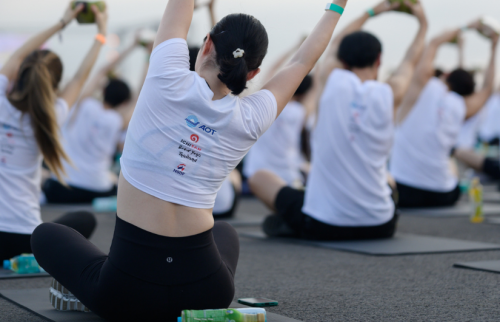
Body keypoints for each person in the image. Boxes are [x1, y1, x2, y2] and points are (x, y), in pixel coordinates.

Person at [30, 0, 348, 320]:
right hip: (207, 292)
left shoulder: (166, 75)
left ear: (206, 44)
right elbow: (303, 60)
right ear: (254, 72)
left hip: (126, 293)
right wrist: (338, 4)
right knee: (225, 231)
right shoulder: (252, 117)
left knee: (45, 235)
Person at [249, 0, 429, 240]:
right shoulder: (391, 92)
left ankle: (292, 221)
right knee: (388, 177)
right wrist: (423, 25)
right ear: (379, 61)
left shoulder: (332, 80)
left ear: (342, 61)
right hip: (381, 224)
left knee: (259, 177)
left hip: (324, 224)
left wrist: (372, 12)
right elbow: (409, 62)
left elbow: (333, 43)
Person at [0, 3, 107, 261]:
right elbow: (80, 79)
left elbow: (18, 55)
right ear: (54, 85)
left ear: (19, 73)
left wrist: (63, 23)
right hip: (25, 241)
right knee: (84, 219)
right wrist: (101, 33)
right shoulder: (50, 116)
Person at [391, 21, 499, 208]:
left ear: (446, 75)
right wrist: (494, 45)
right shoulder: (462, 106)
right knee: (451, 158)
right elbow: (487, 89)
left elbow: (433, 44)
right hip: (442, 194)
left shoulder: (420, 89)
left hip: (404, 191)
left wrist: (466, 26)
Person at [42, 36, 151, 204]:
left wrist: (131, 45)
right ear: (123, 103)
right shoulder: (118, 121)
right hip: (96, 189)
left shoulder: (82, 104)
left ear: (104, 90)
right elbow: (140, 94)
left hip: (61, 188)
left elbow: (101, 71)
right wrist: (147, 56)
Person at [244, 39, 313, 187]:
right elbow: (318, 84)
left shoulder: (266, 103)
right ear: (304, 93)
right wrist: (315, 59)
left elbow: (273, 69)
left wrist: (295, 46)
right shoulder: (301, 111)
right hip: (288, 174)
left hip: (256, 172)